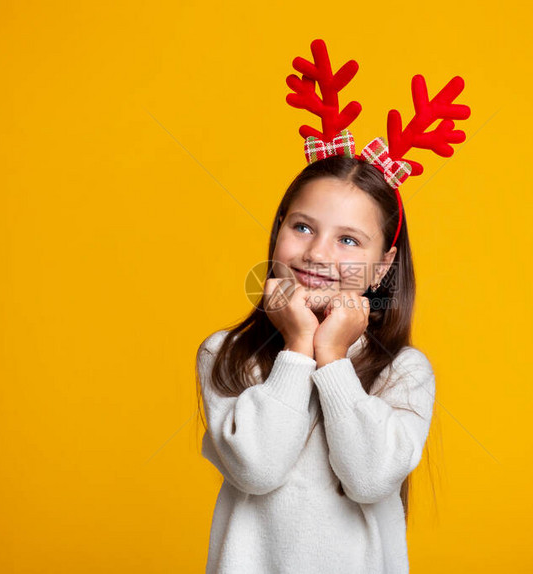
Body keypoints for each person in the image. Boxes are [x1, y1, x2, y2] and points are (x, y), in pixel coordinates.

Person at [195, 39, 470, 573]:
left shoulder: (403, 373)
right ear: (277, 234)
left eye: (349, 240)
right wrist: (299, 347)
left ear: (384, 265)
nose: (318, 253)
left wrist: (333, 360)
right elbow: (256, 468)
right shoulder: (228, 355)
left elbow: (369, 477)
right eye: (303, 228)